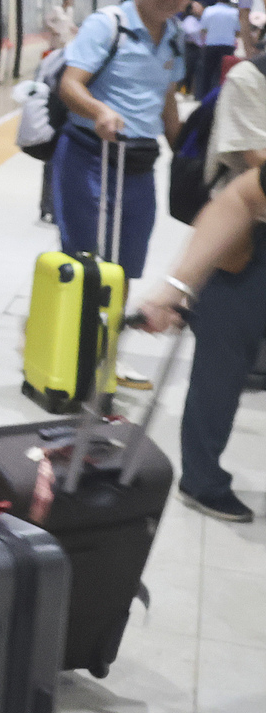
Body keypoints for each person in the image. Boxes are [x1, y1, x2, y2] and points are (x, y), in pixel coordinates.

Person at [54, 0, 192, 386]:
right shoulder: (106, 24)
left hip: (138, 164)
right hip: (90, 155)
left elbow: (167, 100)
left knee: (125, 266)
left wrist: (184, 154)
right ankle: (73, 352)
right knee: (88, 260)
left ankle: (106, 355)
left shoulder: (174, 36)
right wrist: (99, 111)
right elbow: (69, 84)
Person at [132, 156, 266, 524]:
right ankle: (202, 480)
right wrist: (177, 287)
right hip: (252, 249)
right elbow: (241, 196)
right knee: (221, 370)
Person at [200, 0, 240, 97]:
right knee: (223, 72)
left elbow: (203, 29)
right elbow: (237, 31)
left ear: (218, 0)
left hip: (211, 44)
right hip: (227, 45)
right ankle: (220, 96)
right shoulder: (234, 12)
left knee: (207, 72)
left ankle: (204, 96)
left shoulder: (209, 10)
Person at [179, 2, 204, 98]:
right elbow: (190, 31)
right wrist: (202, 31)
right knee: (188, 70)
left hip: (197, 48)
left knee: (195, 70)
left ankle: (191, 91)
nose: (201, 8)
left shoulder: (198, 20)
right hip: (191, 47)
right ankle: (184, 90)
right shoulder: (190, 19)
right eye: (197, 7)